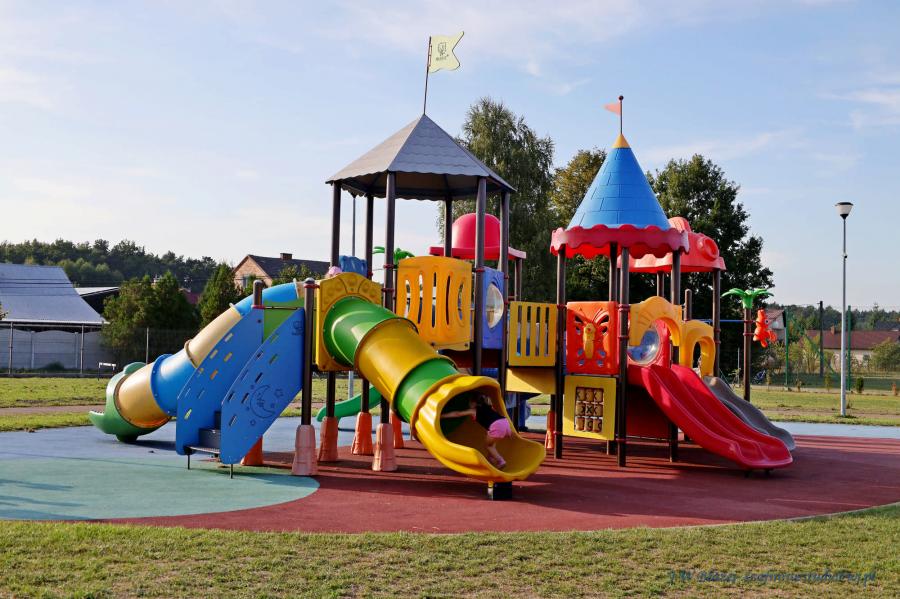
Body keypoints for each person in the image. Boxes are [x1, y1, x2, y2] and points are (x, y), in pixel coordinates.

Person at [441, 393, 512, 469]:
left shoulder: (473, 411)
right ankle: (491, 459)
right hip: (506, 423)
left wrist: (442, 416)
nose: (469, 404)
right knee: (492, 443)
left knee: (489, 446)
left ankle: (500, 461)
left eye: (470, 402)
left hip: (496, 426)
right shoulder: (489, 407)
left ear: (474, 403)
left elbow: (457, 414)